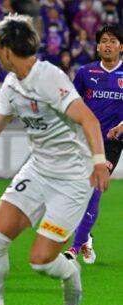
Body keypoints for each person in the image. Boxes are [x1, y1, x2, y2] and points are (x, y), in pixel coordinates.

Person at [0, 14, 109, 305]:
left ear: (5, 49)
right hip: (38, 170)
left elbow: (89, 119)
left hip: (72, 178)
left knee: (41, 262)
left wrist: (99, 163)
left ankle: (70, 271)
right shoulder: (11, 84)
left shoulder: (48, 77)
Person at [64, 24, 123, 264]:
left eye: (112, 40)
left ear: (121, 46)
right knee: (77, 192)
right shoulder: (85, 73)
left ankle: (75, 248)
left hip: (111, 142)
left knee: (96, 187)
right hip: (84, 140)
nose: (107, 45)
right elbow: (70, 104)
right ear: (97, 46)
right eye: (103, 41)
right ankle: (86, 237)